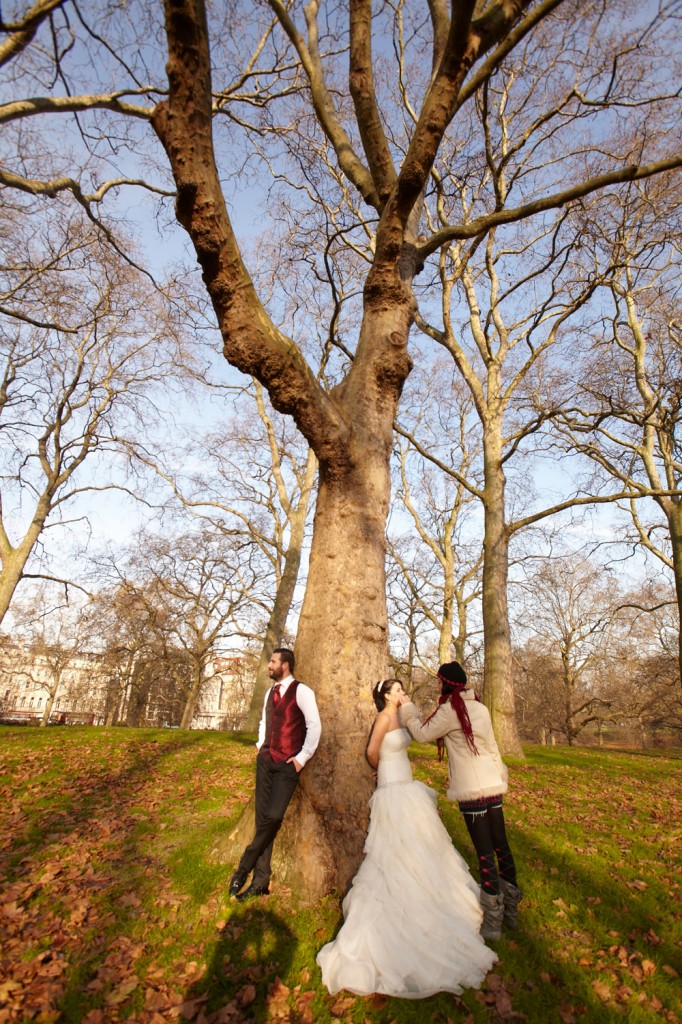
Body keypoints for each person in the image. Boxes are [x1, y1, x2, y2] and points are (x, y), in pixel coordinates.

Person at [316, 679, 497, 999]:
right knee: (392, 849)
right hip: (391, 786)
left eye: (401, 689)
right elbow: (372, 751)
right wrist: (381, 771)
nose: (402, 693)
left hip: (407, 784)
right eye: (397, 690)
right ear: (386, 696)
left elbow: (420, 733)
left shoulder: (401, 717)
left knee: (420, 844)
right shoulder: (385, 717)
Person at [399, 661, 522, 941]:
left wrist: (408, 710)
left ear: (447, 683)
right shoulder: (479, 707)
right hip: (492, 784)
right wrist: (500, 774)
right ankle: (512, 909)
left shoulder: (450, 710)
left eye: (439, 682)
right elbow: (492, 746)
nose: (437, 686)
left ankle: (493, 919)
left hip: (470, 788)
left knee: (484, 851)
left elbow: (421, 734)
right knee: (501, 845)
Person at [229, 647, 321, 902]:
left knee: (273, 816)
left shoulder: (302, 691)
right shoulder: (270, 691)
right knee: (263, 820)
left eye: (273, 662)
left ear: (286, 665)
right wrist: (261, 746)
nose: (269, 665)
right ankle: (260, 880)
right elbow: (264, 722)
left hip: (287, 766)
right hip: (266, 761)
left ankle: (243, 867)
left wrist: (302, 758)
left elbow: (314, 726)